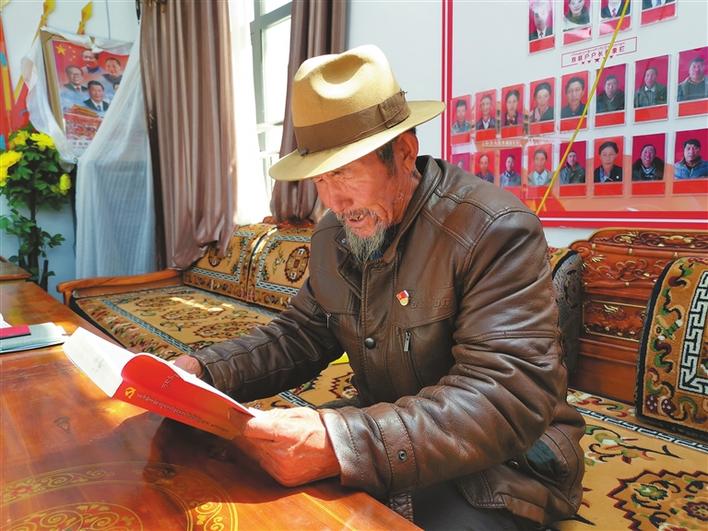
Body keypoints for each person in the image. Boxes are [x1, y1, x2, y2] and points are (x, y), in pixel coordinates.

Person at [174, 44, 584, 529]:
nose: (333, 200)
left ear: (404, 153)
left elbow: (503, 397)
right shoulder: (336, 233)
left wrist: (341, 441)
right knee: (237, 473)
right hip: (393, 428)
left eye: (344, 172)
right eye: (319, 179)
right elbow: (300, 334)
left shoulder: (493, 229)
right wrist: (201, 371)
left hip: (504, 461)